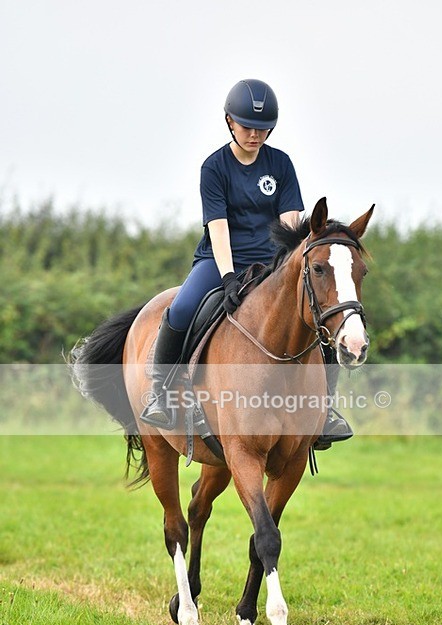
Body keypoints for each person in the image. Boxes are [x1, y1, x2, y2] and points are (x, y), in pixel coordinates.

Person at [141, 78, 352, 448]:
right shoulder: (214, 168)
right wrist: (226, 279)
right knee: (182, 309)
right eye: (248, 126)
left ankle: (326, 410)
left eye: (263, 128)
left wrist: (290, 265)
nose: (256, 134)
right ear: (229, 122)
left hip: (271, 262)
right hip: (220, 259)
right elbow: (219, 229)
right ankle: (161, 394)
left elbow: (291, 223)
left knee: (318, 316)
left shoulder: (280, 164)